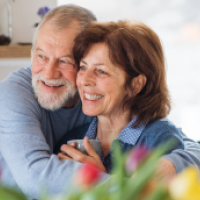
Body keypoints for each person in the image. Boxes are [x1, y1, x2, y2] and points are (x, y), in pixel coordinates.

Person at [0, 4, 199, 200]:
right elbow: (36, 178)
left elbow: (176, 144)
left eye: (65, 61)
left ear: (135, 84)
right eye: (41, 56)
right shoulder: (70, 137)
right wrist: (102, 181)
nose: (85, 80)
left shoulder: (154, 134)